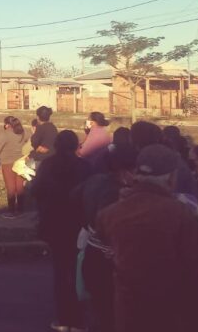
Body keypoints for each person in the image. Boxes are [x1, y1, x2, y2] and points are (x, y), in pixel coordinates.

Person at [95, 144, 198, 332]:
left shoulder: (109, 214)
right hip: (171, 314)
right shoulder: (183, 215)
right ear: (171, 178)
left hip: (128, 314)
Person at [75, 139, 138, 332]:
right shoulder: (118, 193)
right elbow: (112, 227)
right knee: (115, 314)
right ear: (126, 170)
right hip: (110, 259)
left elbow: (73, 198)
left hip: (92, 254)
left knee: (100, 312)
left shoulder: (95, 180)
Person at [31, 130, 91, 332]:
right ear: (76, 146)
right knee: (79, 273)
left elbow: (36, 191)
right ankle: (78, 319)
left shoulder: (48, 165)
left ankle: (64, 319)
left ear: (56, 145)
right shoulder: (84, 166)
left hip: (55, 224)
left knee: (60, 272)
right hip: (78, 225)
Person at [0, 115, 27, 218]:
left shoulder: (5, 134)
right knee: (20, 186)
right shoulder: (22, 132)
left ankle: (11, 211)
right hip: (21, 162)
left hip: (8, 162)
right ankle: (20, 209)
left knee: (11, 187)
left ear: (7, 125)